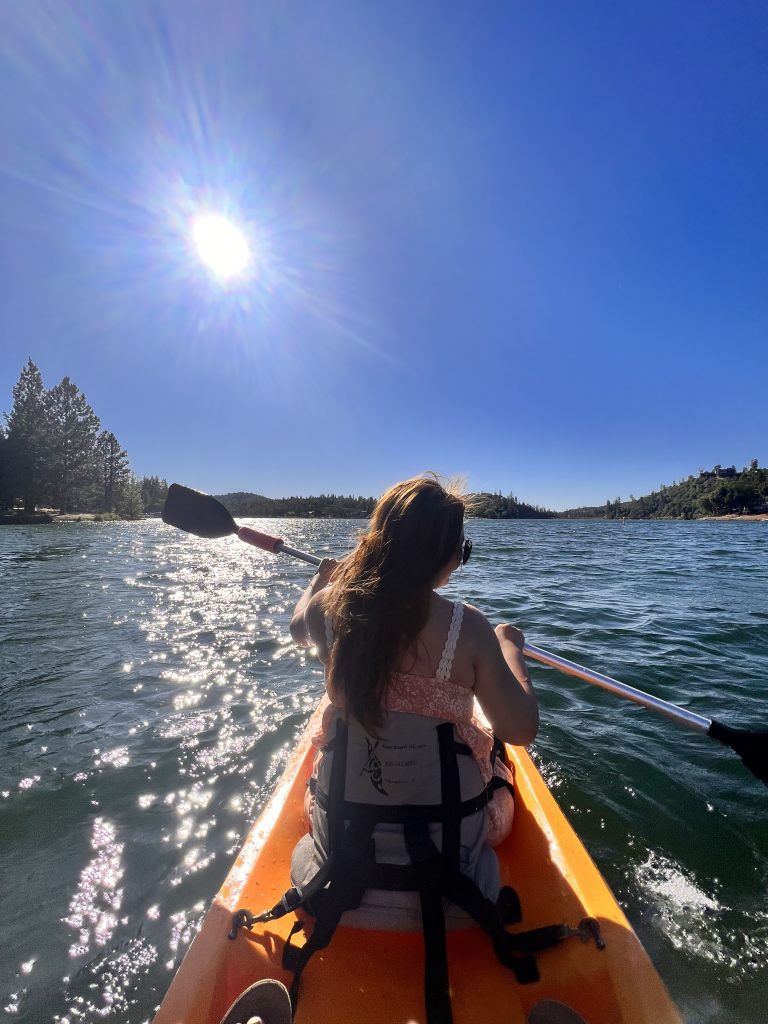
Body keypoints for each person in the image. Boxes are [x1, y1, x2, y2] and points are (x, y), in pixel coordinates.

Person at [289, 472, 538, 867]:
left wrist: (320, 580)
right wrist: (509, 649)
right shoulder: (468, 628)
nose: (460, 561)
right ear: (446, 557)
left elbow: (298, 628)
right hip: (451, 842)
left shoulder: (327, 608)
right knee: (498, 758)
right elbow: (520, 730)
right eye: (462, 551)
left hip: (344, 828)